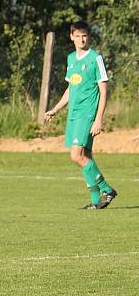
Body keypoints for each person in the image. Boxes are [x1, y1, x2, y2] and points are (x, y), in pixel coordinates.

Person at [44, 20, 117, 209]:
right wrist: (55, 109)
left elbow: (103, 92)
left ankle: (107, 189)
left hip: (87, 114)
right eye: (77, 36)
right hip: (73, 114)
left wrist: (98, 119)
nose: (81, 39)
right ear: (72, 37)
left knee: (76, 155)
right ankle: (95, 202)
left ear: (88, 37)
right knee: (85, 155)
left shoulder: (96, 58)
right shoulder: (70, 59)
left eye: (84, 35)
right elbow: (70, 88)